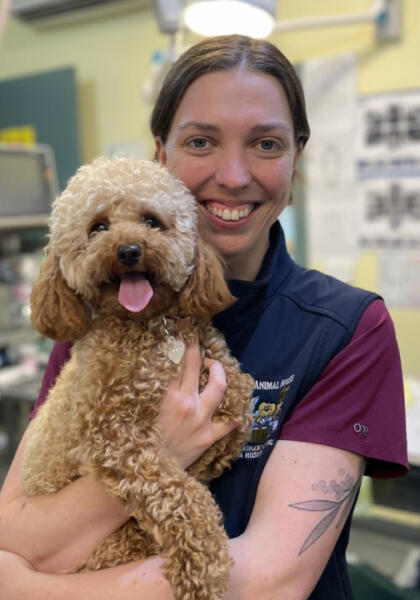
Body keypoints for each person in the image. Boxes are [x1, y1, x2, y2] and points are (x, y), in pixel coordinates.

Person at [0, 34, 408, 599]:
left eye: (266, 144)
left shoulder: (347, 328)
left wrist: (30, 590)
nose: (234, 175)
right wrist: (165, 450)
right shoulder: (101, 312)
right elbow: (14, 532)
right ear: (162, 155)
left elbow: (270, 584)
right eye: (201, 141)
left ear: (296, 158)